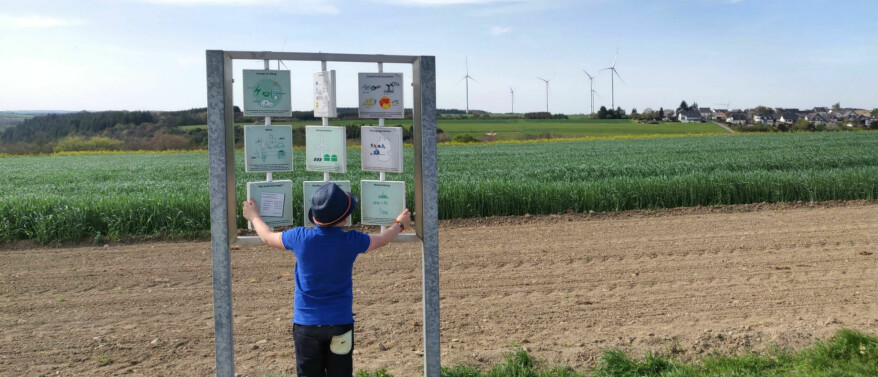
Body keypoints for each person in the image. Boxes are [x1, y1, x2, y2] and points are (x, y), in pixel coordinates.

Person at [242, 182, 412, 377]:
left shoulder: (299, 237)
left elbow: (266, 237)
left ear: (314, 216)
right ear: (346, 218)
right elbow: (382, 239)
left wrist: (254, 216)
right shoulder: (352, 241)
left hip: (306, 326)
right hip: (340, 324)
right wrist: (399, 225)